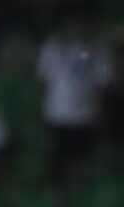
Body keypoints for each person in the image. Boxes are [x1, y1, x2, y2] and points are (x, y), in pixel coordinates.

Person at [36, 16, 110, 180]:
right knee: (58, 161)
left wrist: (99, 113)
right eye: (73, 23)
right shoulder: (52, 48)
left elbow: (102, 84)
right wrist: (45, 111)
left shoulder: (96, 50)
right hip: (58, 115)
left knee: (82, 161)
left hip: (85, 116)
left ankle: (81, 192)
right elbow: (44, 82)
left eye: (81, 23)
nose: (77, 27)